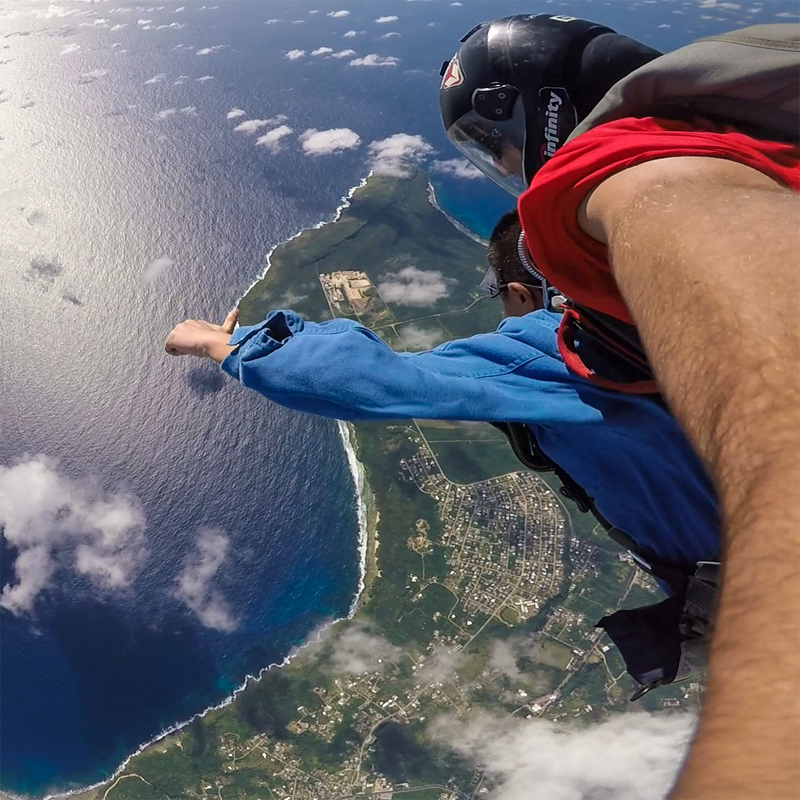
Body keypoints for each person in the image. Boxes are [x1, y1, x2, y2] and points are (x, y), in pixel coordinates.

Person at [440, 14, 799, 798]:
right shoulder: (742, 140)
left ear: (545, 109)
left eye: (495, 142)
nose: (506, 167)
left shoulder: (629, 169)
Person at [166, 211, 720, 691]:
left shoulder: (564, 348)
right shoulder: (694, 318)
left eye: (502, 297)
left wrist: (228, 346)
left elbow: (378, 381)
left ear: (523, 294)